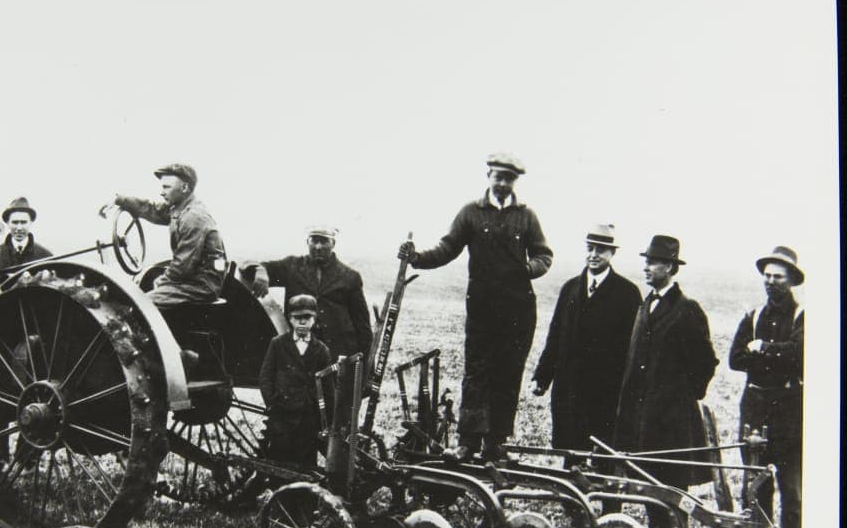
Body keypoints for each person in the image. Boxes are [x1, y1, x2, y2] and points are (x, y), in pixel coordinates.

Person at [398, 152, 553, 462]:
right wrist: (416, 258)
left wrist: (528, 269)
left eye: (509, 178)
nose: (503, 182)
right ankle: (468, 442)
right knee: (477, 373)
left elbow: (544, 256)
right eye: (498, 176)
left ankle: (495, 444)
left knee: (508, 374)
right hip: (482, 309)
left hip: (518, 310)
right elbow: (447, 248)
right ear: (489, 177)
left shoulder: (527, 216)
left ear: (515, 182)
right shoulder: (470, 213)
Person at [614, 234, 718, 528]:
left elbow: (706, 362)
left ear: (670, 267)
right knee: (648, 480)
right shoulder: (645, 306)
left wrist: (682, 397)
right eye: (645, 261)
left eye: (653, 262)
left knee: (672, 486)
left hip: (671, 421)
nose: (646, 268)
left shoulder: (687, 310)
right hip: (643, 418)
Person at [531, 223, 641, 456]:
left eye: (600, 250)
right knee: (569, 453)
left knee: (601, 455)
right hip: (568, 388)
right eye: (590, 248)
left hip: (605, 392)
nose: (594, 255)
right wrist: (542, 377)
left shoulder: (628, 294)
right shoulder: (570, 288)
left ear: (612, 253)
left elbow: (633, 347)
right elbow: (555, 335)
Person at [728, 246, 804, 528]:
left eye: (778, 277)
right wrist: (777, 356)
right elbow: (736, 359)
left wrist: (761, 349)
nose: (771, 282)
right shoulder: (754, 315)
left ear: (792, 281)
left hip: (789, 418)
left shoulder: (802, 316)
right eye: (767, 276)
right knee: (757, 488)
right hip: (755, 413)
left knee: (791, 491)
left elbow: (799, 355)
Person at [244, 224, 373, 360]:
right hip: (302, 351)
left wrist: (366, 364)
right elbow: (246, 266)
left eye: (323, 241)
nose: (318, 247)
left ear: (333, 244)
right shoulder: (292, 267)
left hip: (338, 354)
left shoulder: (350, 277)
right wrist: (260, 271)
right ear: (307, 242)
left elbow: (362, 325)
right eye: (314, 241)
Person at [105, 163, 227, 306]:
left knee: (140, 306)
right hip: (192, 279)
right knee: (142, 291)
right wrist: (121, 200)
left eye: (166, 187)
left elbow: (183, 266)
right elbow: (151, 209)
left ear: (184, 188)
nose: (161, 192)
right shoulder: (180, 208)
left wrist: (161, 282)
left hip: (201, 286)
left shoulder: (194, 217)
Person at [259, 294, 333, 469]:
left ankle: (302, 495)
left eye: (307, 318)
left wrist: (329, 419)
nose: (302, 323)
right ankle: (281, 495)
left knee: (305, 464)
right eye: (297, 318)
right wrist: (273, 403)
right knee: (280, 462)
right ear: (289, 320)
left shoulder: (321, 350)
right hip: (282, 415)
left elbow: (328, 387)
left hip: (308, 417)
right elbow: (265, 376)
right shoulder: (278, 344)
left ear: (314, 319)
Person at [0, 196, 53, 268]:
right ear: (7, 223)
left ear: (31, 222)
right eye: (15, 222)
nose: (19, 228)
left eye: (23, 222)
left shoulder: (45, 256)